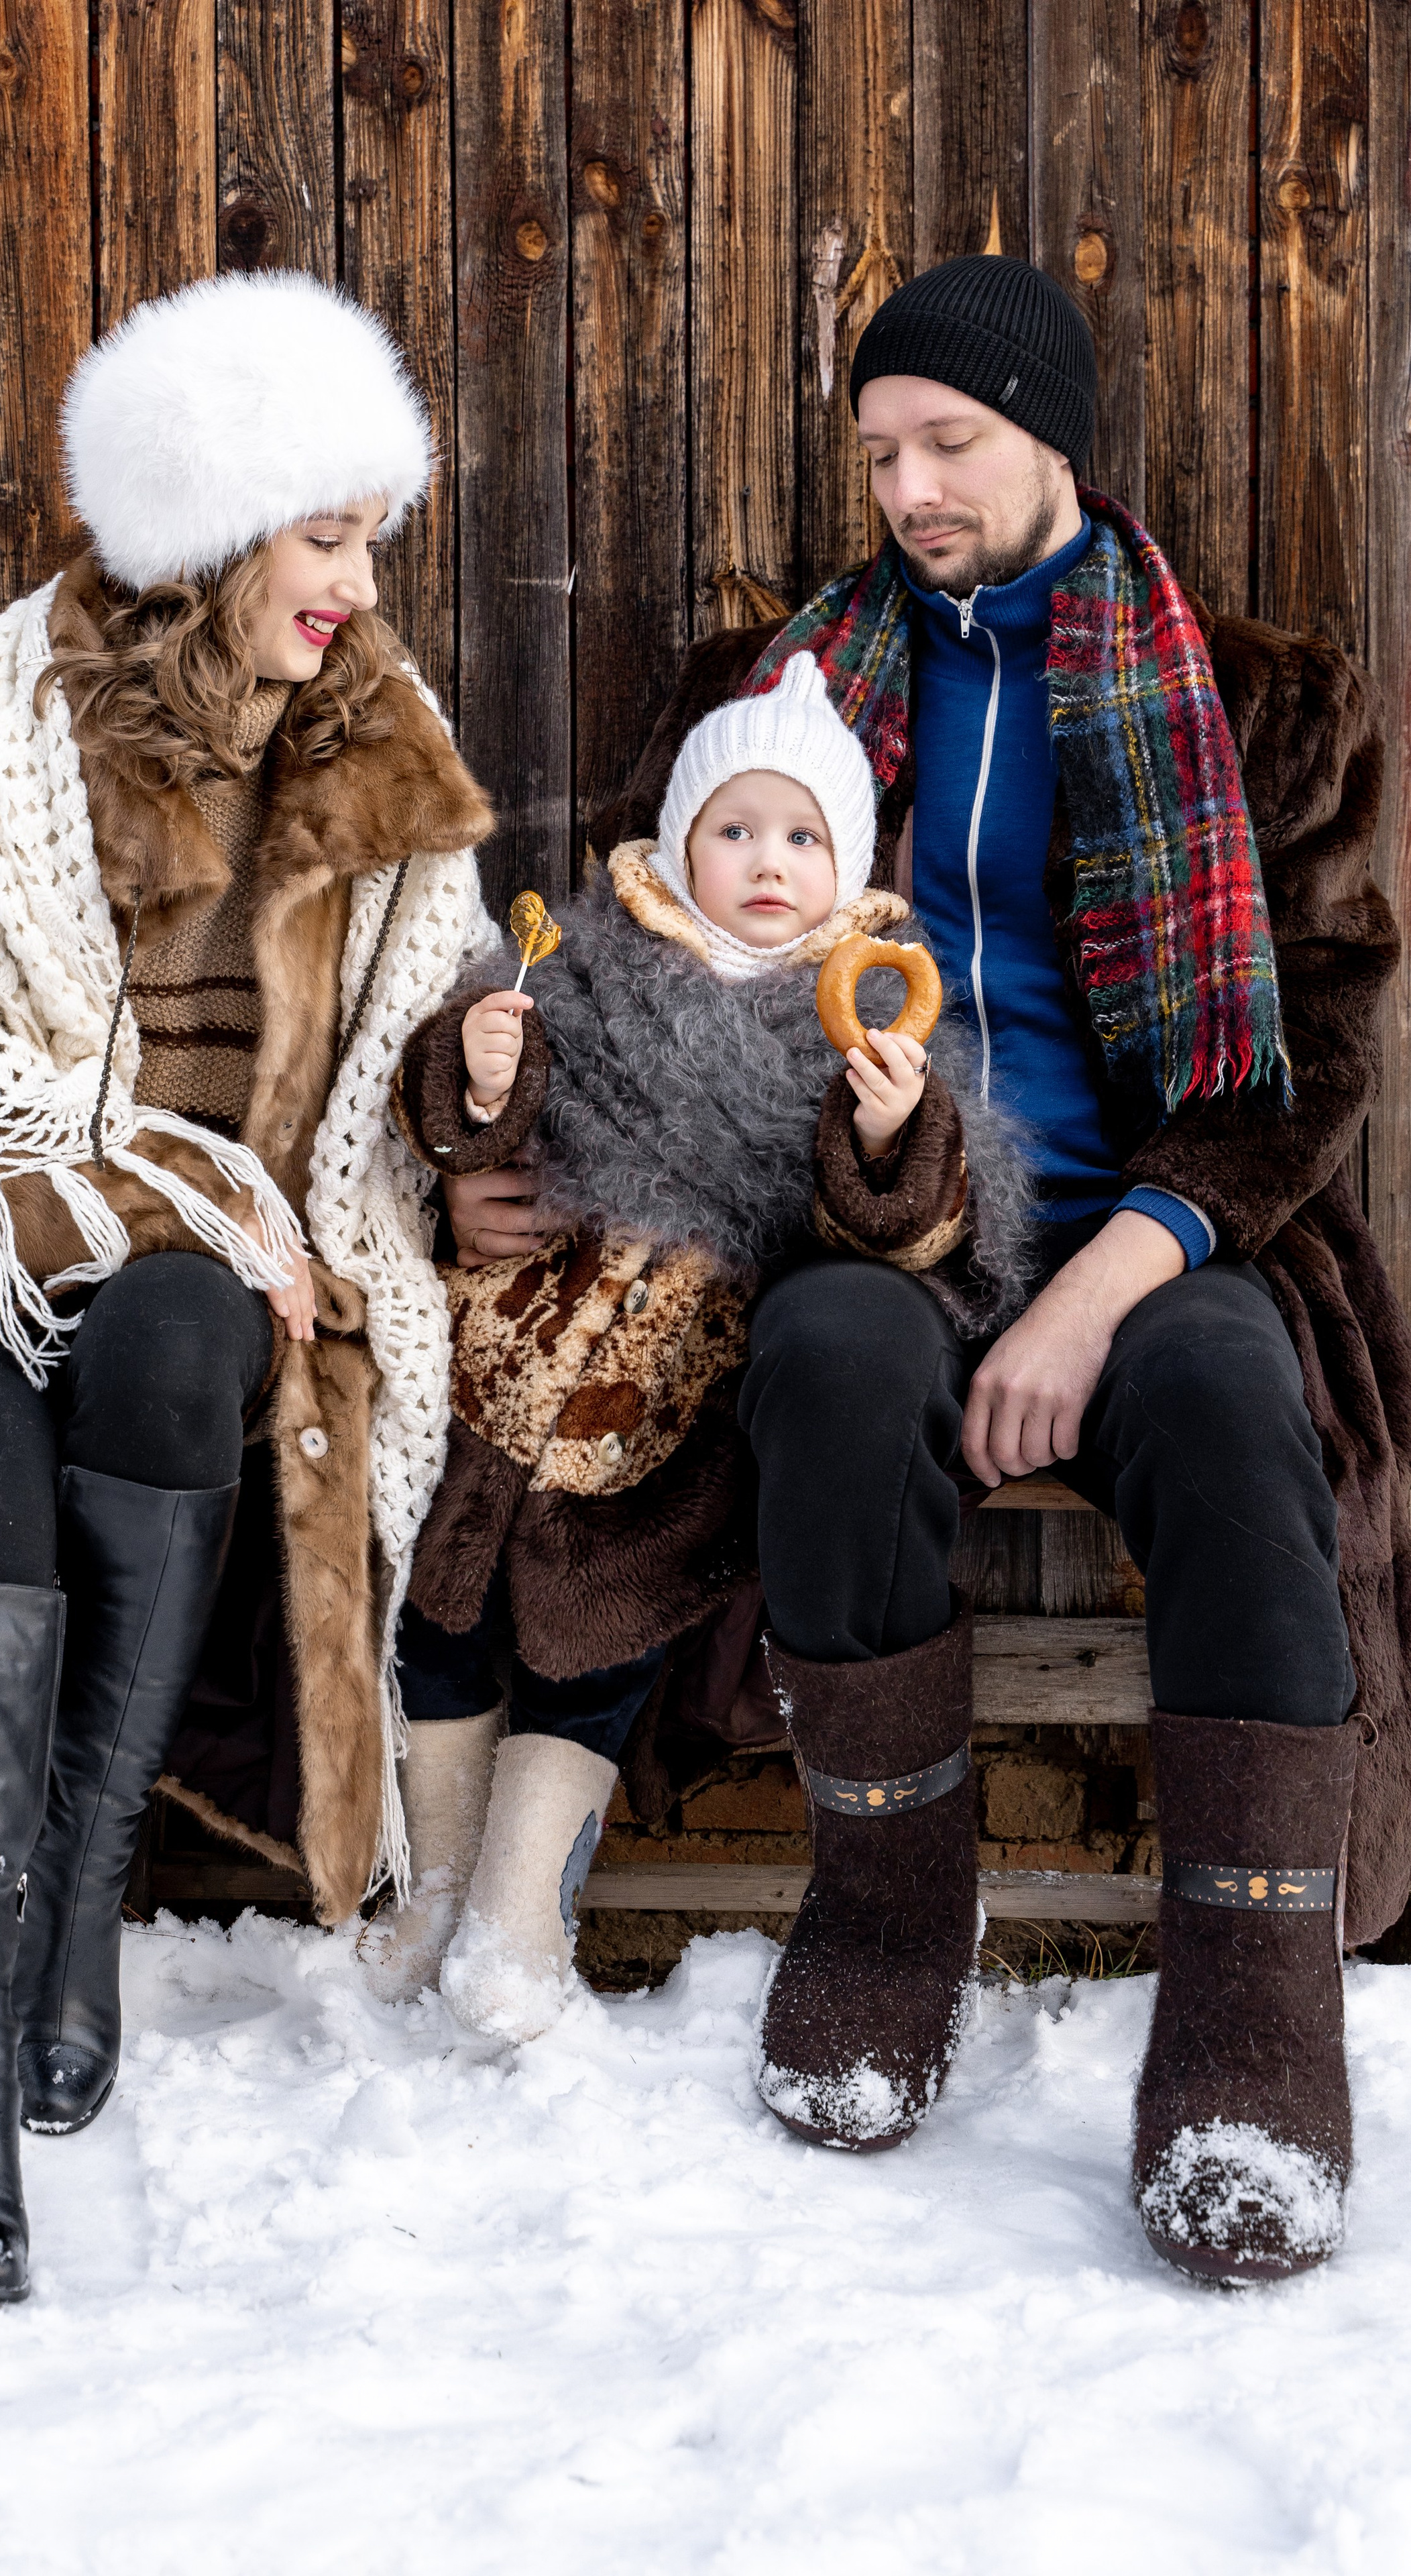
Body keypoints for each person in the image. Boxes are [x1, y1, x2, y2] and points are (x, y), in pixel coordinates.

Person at [498, 254, 1405, 2285]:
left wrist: (1107, 1285)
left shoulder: (1259, 701)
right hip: (874, 1213)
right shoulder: (781, 697)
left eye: (954, 444)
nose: (911, 488)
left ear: (1052, 432)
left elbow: (1319, 1043)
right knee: (824, 1351)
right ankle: (893, 1903)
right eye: (882, 450)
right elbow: (645, 960)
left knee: (1247, 1397)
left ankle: (1255, 2015)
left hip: (1164, 1227)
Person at [0, 270, 499, 2300]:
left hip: (208, 1270)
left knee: (175, 1339)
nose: (356, 581)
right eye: (328, 535)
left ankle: (72, 1917)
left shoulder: (377, 762)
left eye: (370, 537)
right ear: (217, 531)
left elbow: (412, 1065)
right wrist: (127, 1168)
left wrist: (482, 1068)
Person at [367, 649, 1029, 2041]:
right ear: (680, 843)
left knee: (589, 1641)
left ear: (843, 858)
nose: (766, 861)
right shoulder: (590, 963)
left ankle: (516, 1911)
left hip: (666, 1410)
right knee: (441, 1615)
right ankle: (429, 1880)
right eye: (734, 829)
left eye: (801, 836)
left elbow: (917, 1220)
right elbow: (477, 1119)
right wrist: (479, 1080)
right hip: (506, 1370)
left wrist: (882, 1131)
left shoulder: (872, 1007)